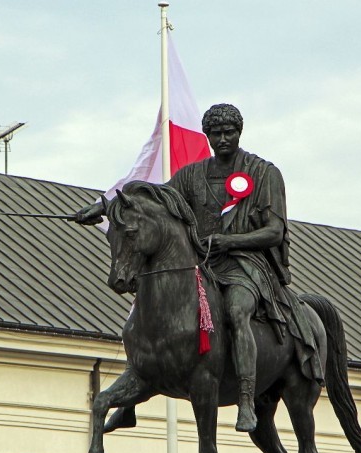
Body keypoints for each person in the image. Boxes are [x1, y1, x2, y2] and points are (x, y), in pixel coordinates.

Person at [77, 103, 322, 432]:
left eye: (229, 132)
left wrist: (229, 241)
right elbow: (149, 200)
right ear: (207, 136)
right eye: (216, 134)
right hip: (201, 263)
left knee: (236, 309)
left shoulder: (264, 173)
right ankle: (134, 393)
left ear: (239, 133)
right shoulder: (192, 176)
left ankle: (246, 399)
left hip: (246, 265)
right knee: (153, 304)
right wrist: (101, 208)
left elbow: (275, 231)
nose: (223, 139)